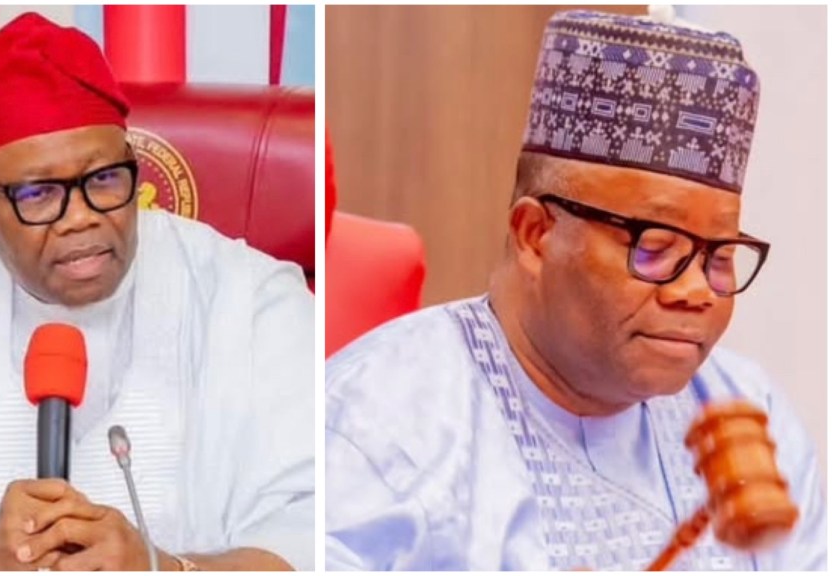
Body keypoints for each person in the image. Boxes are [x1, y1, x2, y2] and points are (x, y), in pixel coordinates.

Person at [325, 9, 825, 571]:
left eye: (721, 257)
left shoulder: (747, 408)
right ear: (536, 235)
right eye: (655, 248)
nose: (696, 291)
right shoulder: (376, 428)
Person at [0, 13, 314, 571]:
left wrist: (162, 567)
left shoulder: (254, 305)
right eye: (38, 194)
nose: (79, 219)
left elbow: (320, 536)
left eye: (103, 180)